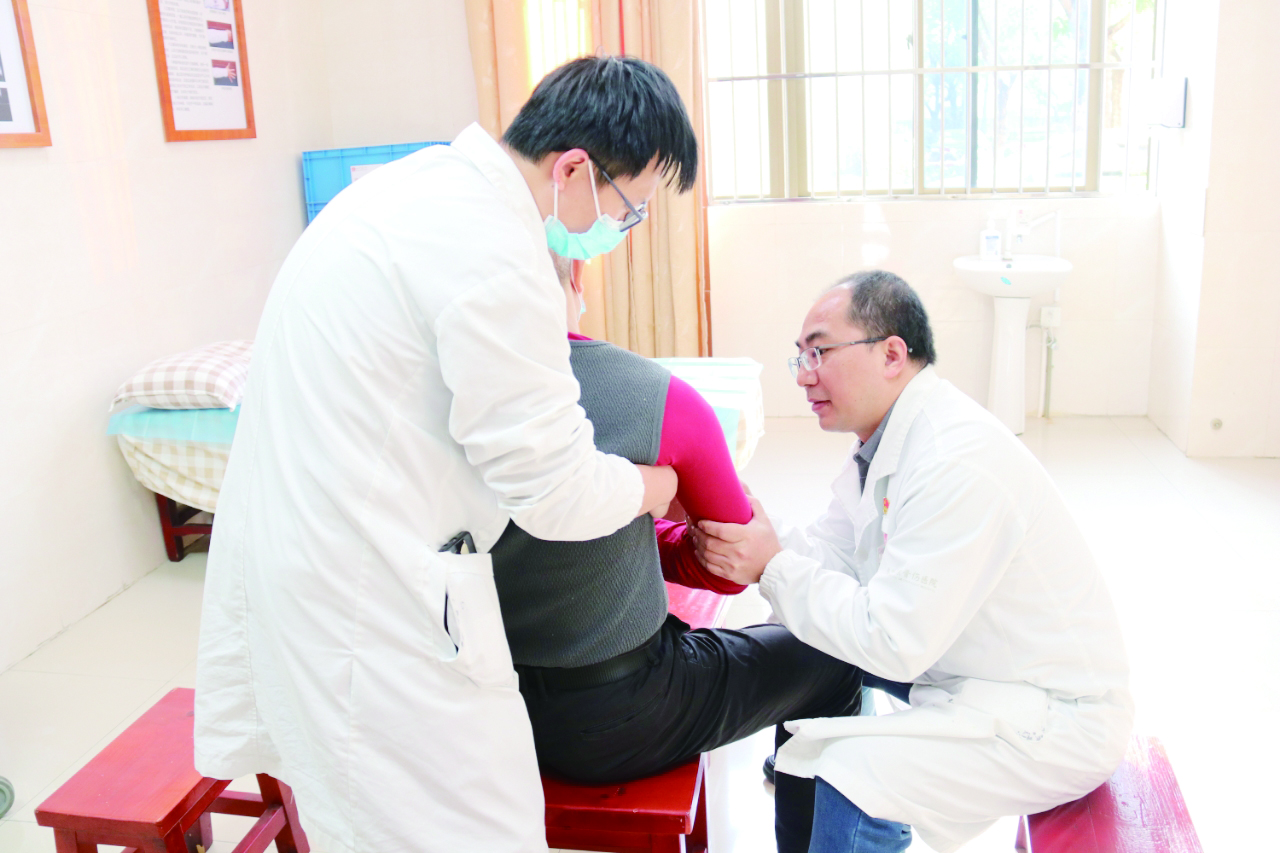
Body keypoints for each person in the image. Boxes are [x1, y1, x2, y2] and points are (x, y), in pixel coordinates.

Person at [194, 57, 698, 853]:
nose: (619, 229)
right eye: (627, 208)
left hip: (308, 565)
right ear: (573, 169)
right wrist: (654, 486)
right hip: (371, 605)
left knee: (373, 819)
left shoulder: (413, 190)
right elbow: (555, 490)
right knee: (463, 828)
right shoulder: (494, 251)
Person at [694, 270, 1133, 853]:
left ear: (892, 354)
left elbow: (894, 639)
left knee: (855, 774)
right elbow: (835, 556)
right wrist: (755, 532)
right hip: (962, 658)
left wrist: (772, 566)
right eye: (799, 356)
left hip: (1050, 711)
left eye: (820, 352)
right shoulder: (886, 442)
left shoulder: (955, 459)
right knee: (804, 650)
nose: (803, 375)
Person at [491, 256, 864, 785]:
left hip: (485, 700)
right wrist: (659, 517)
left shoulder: (443, 395)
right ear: (576, 276)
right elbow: (727, 568)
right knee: (835, 658)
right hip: (616, 716)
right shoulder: (653, 395)